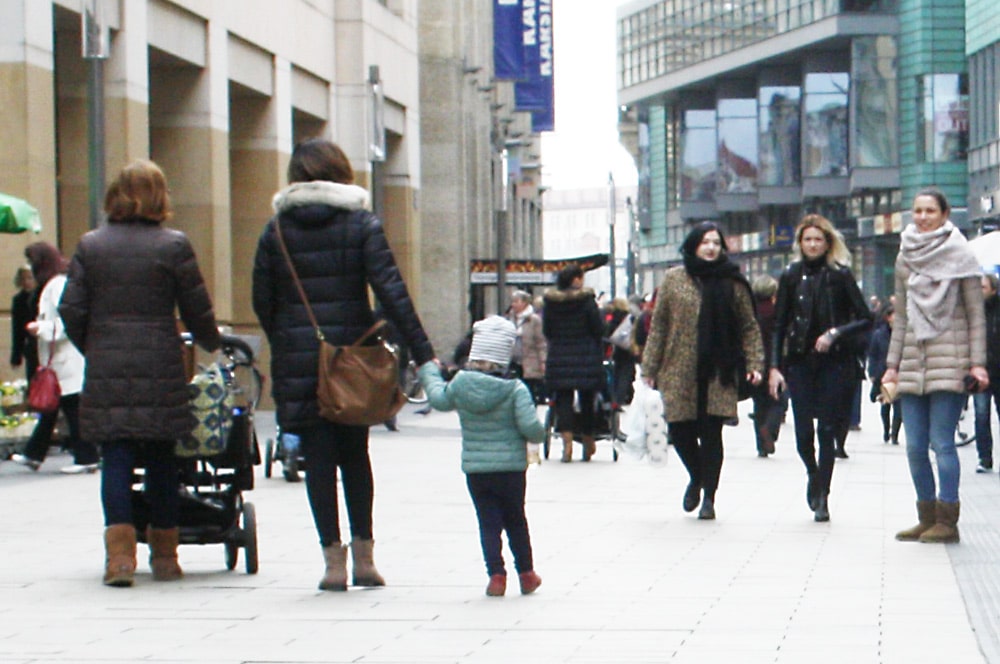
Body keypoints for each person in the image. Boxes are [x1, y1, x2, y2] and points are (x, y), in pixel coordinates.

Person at [252, 138, 434, 591]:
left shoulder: (276, 232)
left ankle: (332, 562)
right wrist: (423, 351)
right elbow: (391, 291)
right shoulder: (360, 225)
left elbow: (263, 300)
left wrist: (287, 342)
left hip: (301, 357)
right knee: (355, 455)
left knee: (318, 461)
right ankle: (365, 557)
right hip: (354, 357)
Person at [59, 159, 221, 587]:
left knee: (116, 455)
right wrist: (212, 341)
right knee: (161, 458)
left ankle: (121, 561)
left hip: (109, 362)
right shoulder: (173, 245)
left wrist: (93, 345)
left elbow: (71, 309)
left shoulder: (91, 245)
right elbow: (195, 306)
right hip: (160, 362)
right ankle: (165, 557)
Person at [881, 187, 987, 544]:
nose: (923, 217)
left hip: (951, 362)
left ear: (944, 215)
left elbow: (976, 316)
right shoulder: (905, 256)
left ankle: (948, 519)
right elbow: (902, 318)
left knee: (942, 442)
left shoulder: (961, 255)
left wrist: (978, 364)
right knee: (914, 446)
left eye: (930, 211)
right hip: (913, 362)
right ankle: (925, 516)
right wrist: (891, 365)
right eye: (918, 211)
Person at [641, 222, 764, 520]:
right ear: (693, 245)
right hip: (677, 367)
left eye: (716, 243)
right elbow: (659, 324)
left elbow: (749, 326)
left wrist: (755, 364)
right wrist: (649, 366)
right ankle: (697, 477)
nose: (711, 248)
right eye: (705, 242)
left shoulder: (732, 282)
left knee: (711, 433)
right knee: (679, 430)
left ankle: (709, 496)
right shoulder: (674, 278)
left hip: (718, 369)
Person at [418, 316, 545, 597]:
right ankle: (526, 573)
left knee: (488, 522)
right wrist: (541, 430)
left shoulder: (462, 384)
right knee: (516, 519)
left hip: (477, 470)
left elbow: (439, 400)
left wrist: (428, 370)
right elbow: (532, 430)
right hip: (511, 470)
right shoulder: (514, 389)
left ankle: (496, 576)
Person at [769, 215, 871, 523]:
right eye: (807, 240)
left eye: (818, 240)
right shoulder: (790, 276)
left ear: (828, 243)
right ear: (800, 244)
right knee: (803, 433)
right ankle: (812, 473)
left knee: (827, 429)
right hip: (800, 362)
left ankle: (823, 494)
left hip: (834, 362)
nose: (813, 245)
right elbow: (779, 324)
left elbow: (866, 316)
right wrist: (775, 366)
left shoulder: (840, 275)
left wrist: (836, 333)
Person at [11, 243, 100, 474]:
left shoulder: (57, 285)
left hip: (65, 359)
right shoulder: (56, 283)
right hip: (60, 360)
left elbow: (64, 322)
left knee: (69, 407)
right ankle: (35, 453)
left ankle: (86, 456)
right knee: (55, 406)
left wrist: (39, 328)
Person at [542, 264, 605, 462]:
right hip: (586, 355)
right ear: (575, 279)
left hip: (559, 355)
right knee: (587, 400)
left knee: (563, 400)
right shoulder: (587, 301)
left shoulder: (551, 302)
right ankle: (587, 441)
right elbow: (598, 328)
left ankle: (567, 444)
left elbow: (547, 330)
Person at [750, 274, 787, 457]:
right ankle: (770, 431)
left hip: (754, 363)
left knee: (759, 404)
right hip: (774, 362)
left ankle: (761, 446)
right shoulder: (776, 312)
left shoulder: (750, 311)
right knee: (778, 400)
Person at [972, 273, 1000, 473]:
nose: (979, 291)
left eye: (982, 287)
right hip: (981, 370)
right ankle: (984, 457)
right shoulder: (975, 311)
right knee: (981, 415)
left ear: (993, 288)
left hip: (998, 370)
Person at [867, 304, 902, 445]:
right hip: (884, 374)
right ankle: (886, 430)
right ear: (888, 318)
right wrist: (873, 372)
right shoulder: (879, 334)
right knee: (886, 405)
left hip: (901, 374)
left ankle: (895, 434)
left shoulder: (903, 335)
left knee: (899, 408)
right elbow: (873, 354)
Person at [507, 290, 547, 404]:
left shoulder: (534, 320)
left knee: (529, 392)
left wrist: (543, 361)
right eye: (512, 302)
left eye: (516, 301)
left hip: (530, 361)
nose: (513, 304)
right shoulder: (510, 319)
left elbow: (541, 342)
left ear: (524, 303)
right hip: (513, 361)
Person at [605, 296, 637, 406]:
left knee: (617, 373)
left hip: (616, 349)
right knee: (626, 374)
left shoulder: (613, 317)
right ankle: (620, 399)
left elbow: (608, 332)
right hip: (628, 349)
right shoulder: (629, 317)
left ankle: (615, 397)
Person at [9, 265, 38, 382]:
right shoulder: (18, 300)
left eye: (30, 278)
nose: (26, 282)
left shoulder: (43, 296)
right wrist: (16, 356)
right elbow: (17, 330)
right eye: (23, 279)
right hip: (30, 346)